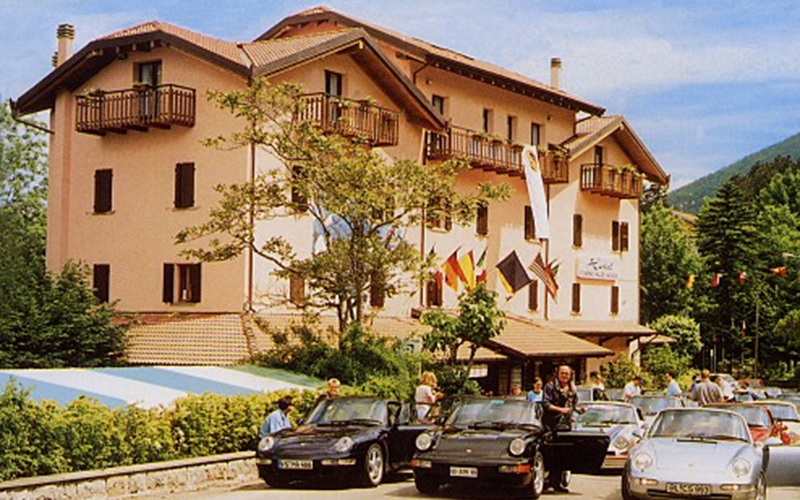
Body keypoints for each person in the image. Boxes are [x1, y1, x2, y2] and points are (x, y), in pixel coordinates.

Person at [542, 365, 586, 492]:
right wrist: (561, 410)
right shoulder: (550, 386)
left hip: (565, 425)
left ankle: (558, 482)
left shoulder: (572, 388)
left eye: (567, 373)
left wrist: (579, 410)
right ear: (557, 374)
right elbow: (545, 404)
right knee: (551, 453)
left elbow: (574, 405)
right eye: (562, 373)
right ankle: (547, 480)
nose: (564, 375)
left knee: (563, 453)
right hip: (550, 424)